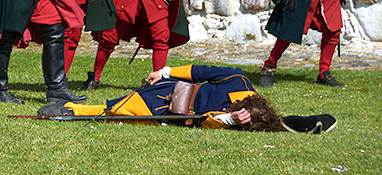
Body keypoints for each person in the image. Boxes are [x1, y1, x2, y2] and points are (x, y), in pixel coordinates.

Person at [51, 65, 289, 131]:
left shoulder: (238, 121)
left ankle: (71, 110)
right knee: (118, 110)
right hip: (169, 93)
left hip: (173, 118)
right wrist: (164, 72)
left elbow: (205, 120)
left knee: (123, 119)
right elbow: (198, 71)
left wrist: (230, 119)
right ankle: (70, 109)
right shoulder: (238, 78)